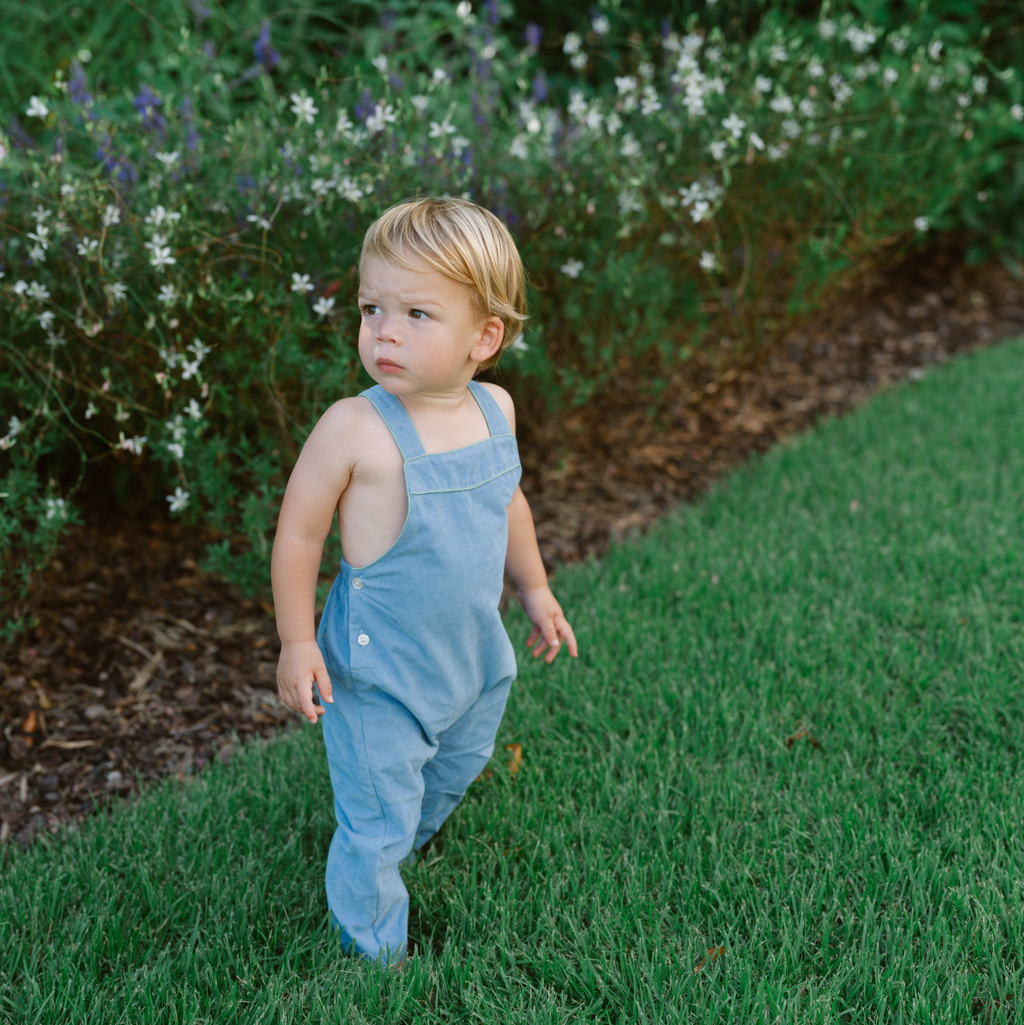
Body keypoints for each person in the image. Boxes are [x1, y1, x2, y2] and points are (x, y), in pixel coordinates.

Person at [271, 196, 578, 968]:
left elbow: (508, 502)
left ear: (485, 336)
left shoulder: (495, 409)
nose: (385, 331)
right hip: (377, 670)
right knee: (376, 819)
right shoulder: (355, 427)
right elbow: (300, 533)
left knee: (460, 759)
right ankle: (374, 954)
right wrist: (297, 641)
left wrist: (535, 590)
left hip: (470, 653)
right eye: (372, 308)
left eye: (416, 313)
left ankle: (405, 827)